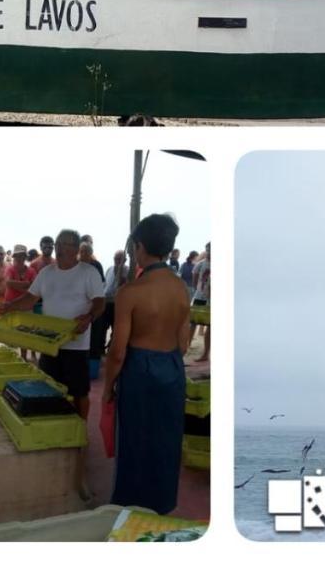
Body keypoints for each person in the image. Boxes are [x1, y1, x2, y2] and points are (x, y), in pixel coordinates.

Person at [5, 229, 105, 494]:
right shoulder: (46, 273)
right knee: (48, 387)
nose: (60, 248)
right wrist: (10, 306)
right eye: (59, 244)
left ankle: (80, 433)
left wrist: (88, 317)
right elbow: (30, 298)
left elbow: (100, 302)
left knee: (79, 391)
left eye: (66, 244)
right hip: (48, 343)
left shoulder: (88, 272)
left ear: (76, 248)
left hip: (76, 344)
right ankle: (53, 429)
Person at [104, 212, 190, 515]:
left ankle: (130, 507)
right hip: (172, 367)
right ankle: (163, 504)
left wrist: (108, 387)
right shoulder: (181, 288)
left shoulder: (131, 293)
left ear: (139, 247)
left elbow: (117, 351)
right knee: (166, 439)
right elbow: (184, 342)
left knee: (135, 441)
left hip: (139, 367)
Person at [191, 242, 211, 361]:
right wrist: (198, 290)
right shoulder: (200, 264)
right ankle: (187, 345)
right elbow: (194, 279)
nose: (209, 252)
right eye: (208, 249)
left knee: (210, 325)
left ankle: (205, 354)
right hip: (200, 296)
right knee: (193, 321)